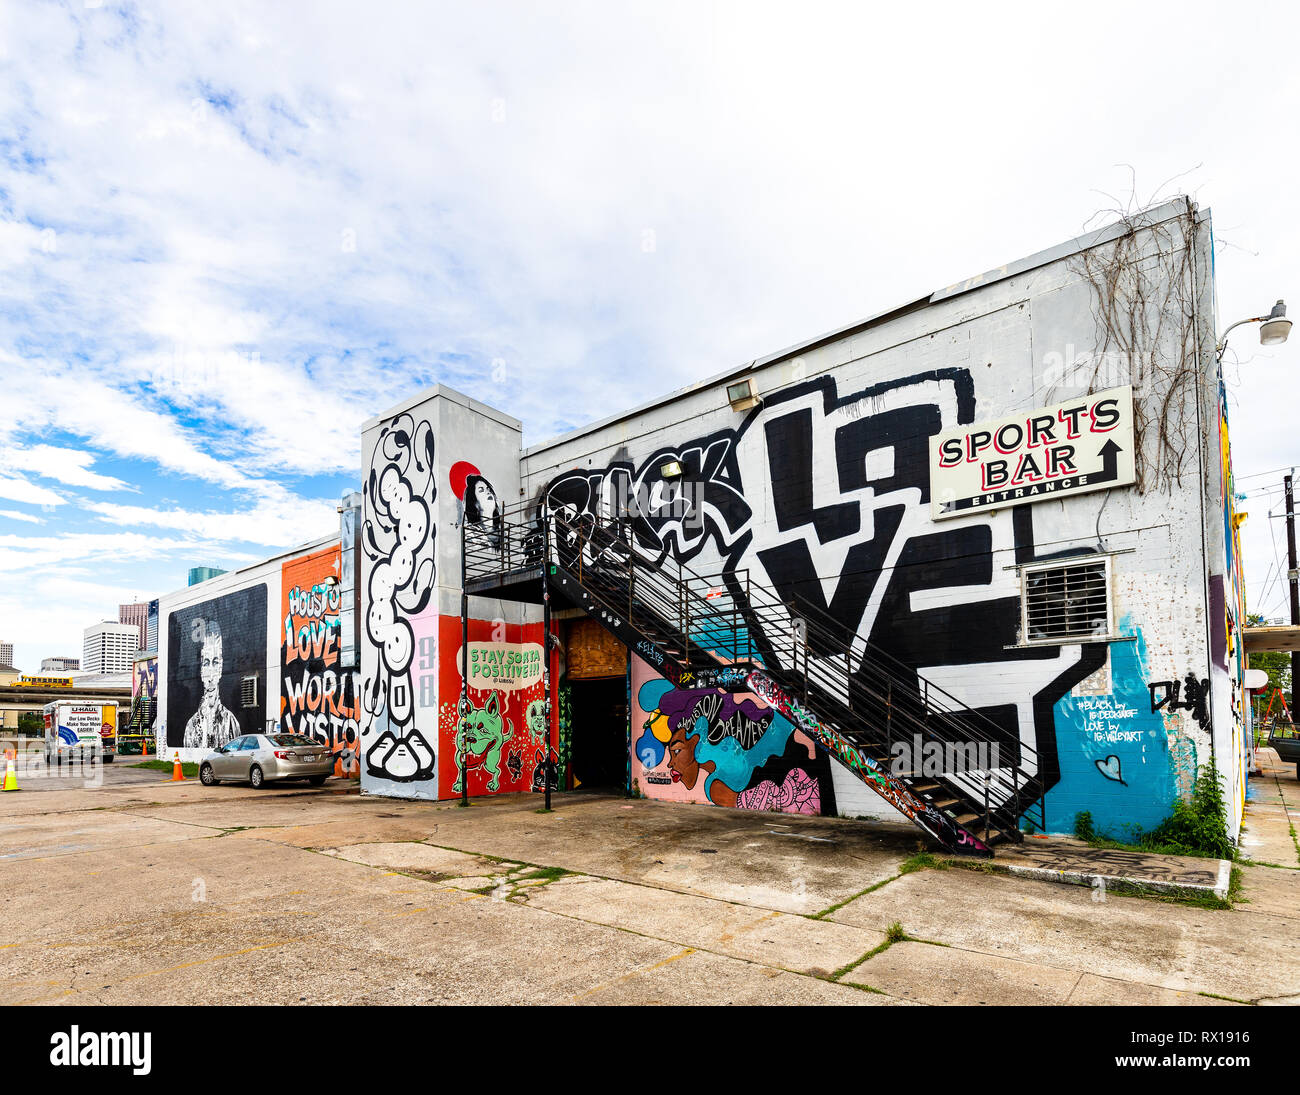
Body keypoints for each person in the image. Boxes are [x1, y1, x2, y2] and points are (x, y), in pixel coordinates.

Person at [183, 621, 241, 751]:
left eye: (215, 662)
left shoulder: (231, 723)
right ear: (201, 670)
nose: (210, 677)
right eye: (206, 663)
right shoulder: (191, 726)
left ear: (220, 668)